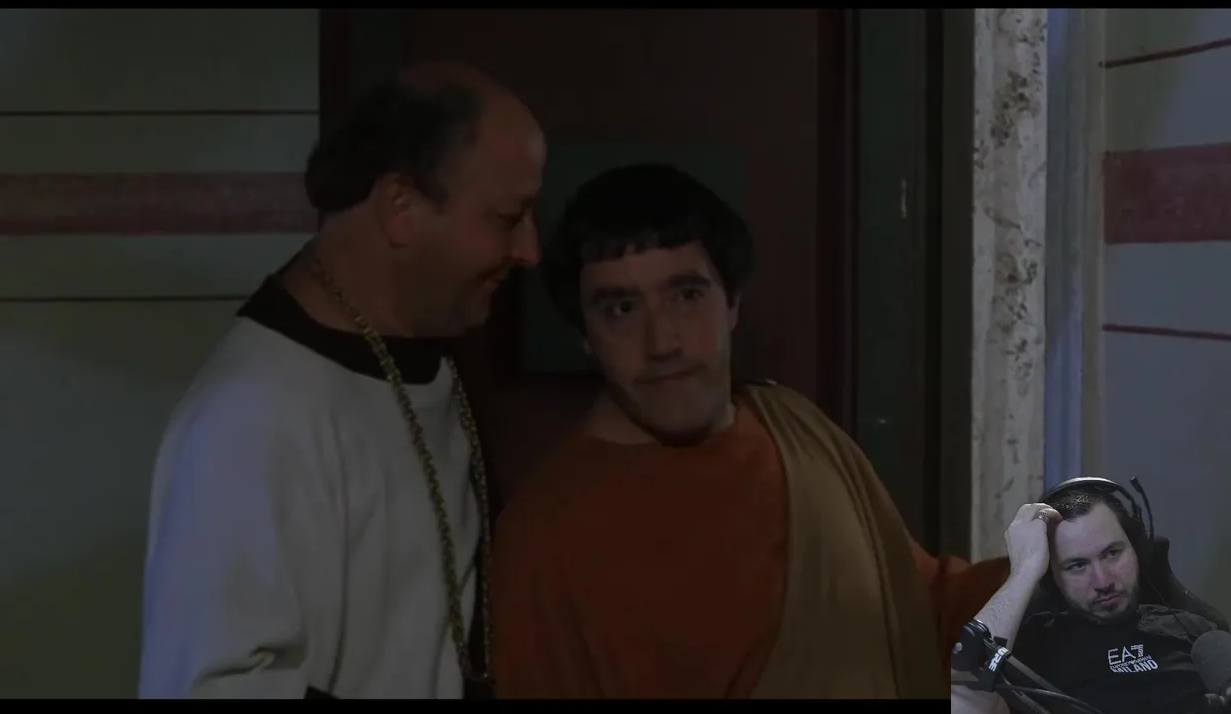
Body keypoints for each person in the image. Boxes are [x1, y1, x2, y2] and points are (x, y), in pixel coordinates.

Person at [488, 163, 1009, 699]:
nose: (662, 341)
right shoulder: (545, 538)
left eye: (686, 295)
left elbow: (920, 612)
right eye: (622, 308)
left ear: (732, 301)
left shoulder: (796, 431)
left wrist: (1048, 578)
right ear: (584, 334)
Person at [137, 62, 545, 699]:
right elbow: (213, 684)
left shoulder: (429, 352)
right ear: (401, 208)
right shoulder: (255, 413)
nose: (530, 251)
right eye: (507, 217)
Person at [949, 486, 1221, 714]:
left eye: (1112, 553)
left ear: (1137, 549)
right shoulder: (1030, 650)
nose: (1103, 581)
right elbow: (963, 706)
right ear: (1051, 578)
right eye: (1077, 566)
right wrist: (1024, 571)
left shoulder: (1198, 636)